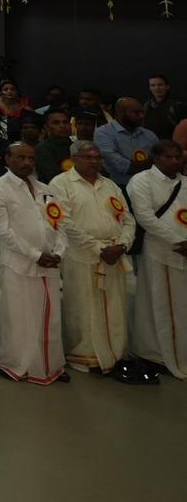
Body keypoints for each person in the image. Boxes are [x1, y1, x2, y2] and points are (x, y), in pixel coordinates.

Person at [0, 142, 67, 384]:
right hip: (18, 262)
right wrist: (34, 254)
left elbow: (59, 224)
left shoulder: (45, 189)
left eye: (31, 158)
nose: (27, 163)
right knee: (20, 317)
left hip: (49, 262)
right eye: (20, 158)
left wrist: (59, 252)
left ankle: (50, 364)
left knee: (50, 316)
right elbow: (1, 230)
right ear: (7, 159)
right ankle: (16, 364)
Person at [49, 142, 135, 375]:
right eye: (88, 157)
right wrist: (98, 248)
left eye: (97, 157)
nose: (94, 161)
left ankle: (115, 353)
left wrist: (123, 245)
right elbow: (64, 222)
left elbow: (127, 219)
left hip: (114, 253)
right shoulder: (60, 183)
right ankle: (86, 355)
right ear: (74, 158)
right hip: (82, 254)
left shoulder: (109, 185)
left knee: (115, 306)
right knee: (84, 306)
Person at [129, 139, 187, 379]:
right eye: (169, 157)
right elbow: (145, 218)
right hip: (159, 250)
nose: (175, 161)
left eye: (178, 157)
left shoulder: (185, 182)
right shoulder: (142, 180)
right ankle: (158, 354)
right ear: (155, 158)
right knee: (159, 303)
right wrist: (177, 240)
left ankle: (177, 351)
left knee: (180, 306)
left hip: (184, 252)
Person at [94, 96, 157, 187]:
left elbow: (160, 163)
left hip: (149, 186)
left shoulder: (149, 134)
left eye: (142, 112)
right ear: (120, 113)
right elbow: (120, 166)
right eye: (136, 112)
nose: (141, 116)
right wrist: (150, 165)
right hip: (117, 187)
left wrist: (153, 164)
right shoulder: (103, 133)